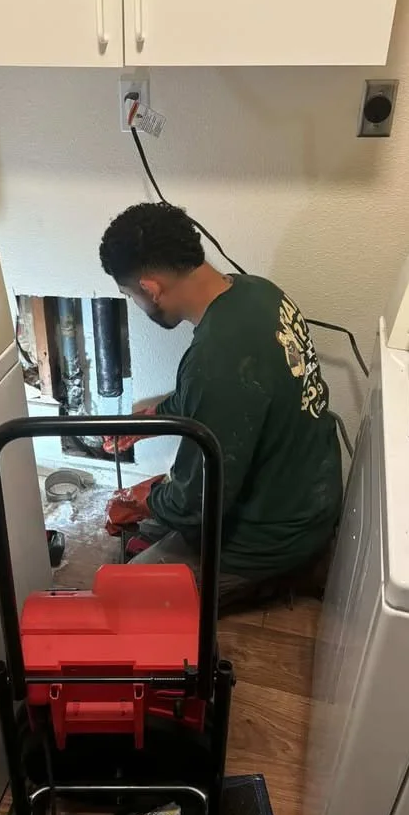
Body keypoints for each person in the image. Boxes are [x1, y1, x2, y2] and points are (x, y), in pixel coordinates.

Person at [99, 202, 343, 610]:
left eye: (131, 295)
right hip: (302, 494)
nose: (139, 307)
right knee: (154, 519)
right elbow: (224, 397)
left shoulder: (217, 359)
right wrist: (152, 419)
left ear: (151, 288)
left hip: (270, 537)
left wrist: (142, 497)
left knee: (121, 596)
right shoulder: (257, 292)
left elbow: (195, 504)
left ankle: (277, 577)